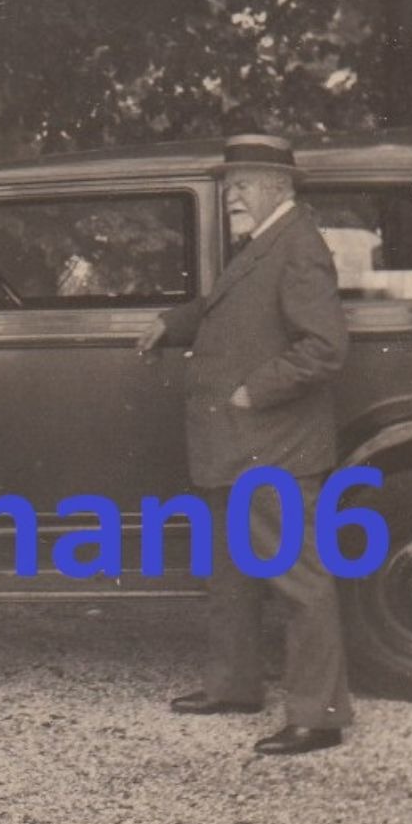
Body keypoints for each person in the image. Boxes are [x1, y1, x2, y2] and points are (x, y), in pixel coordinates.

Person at [136, 133, 353, 756]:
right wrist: (172, 322)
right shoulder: (264, 242)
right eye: (231, 183)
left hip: (274, 444)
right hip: (242, 447)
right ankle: (234, 687)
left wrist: (254, 391)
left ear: (275, 188)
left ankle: (320, 715)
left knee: (299, 580)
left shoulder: (299, 247)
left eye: (241, 184)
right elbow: (226, 305)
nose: (231, 193)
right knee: (232, 572)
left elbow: (325, 347)